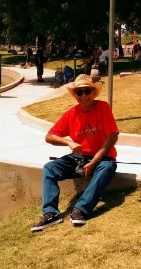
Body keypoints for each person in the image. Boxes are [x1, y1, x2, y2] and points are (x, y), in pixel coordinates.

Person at [31, 74, 119, 232]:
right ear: (75, 95)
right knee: (49, 168)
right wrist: (69, 142)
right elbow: (49, 136)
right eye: (79, 92)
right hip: (79, 158)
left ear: (93, 92)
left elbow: (113, 136)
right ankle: (51, 213)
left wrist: (94, 162)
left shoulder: (103, 107)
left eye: (87, 91)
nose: (84, 95)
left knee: (106, 168)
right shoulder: (71, 114)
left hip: (103, 157)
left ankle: (81, 209)